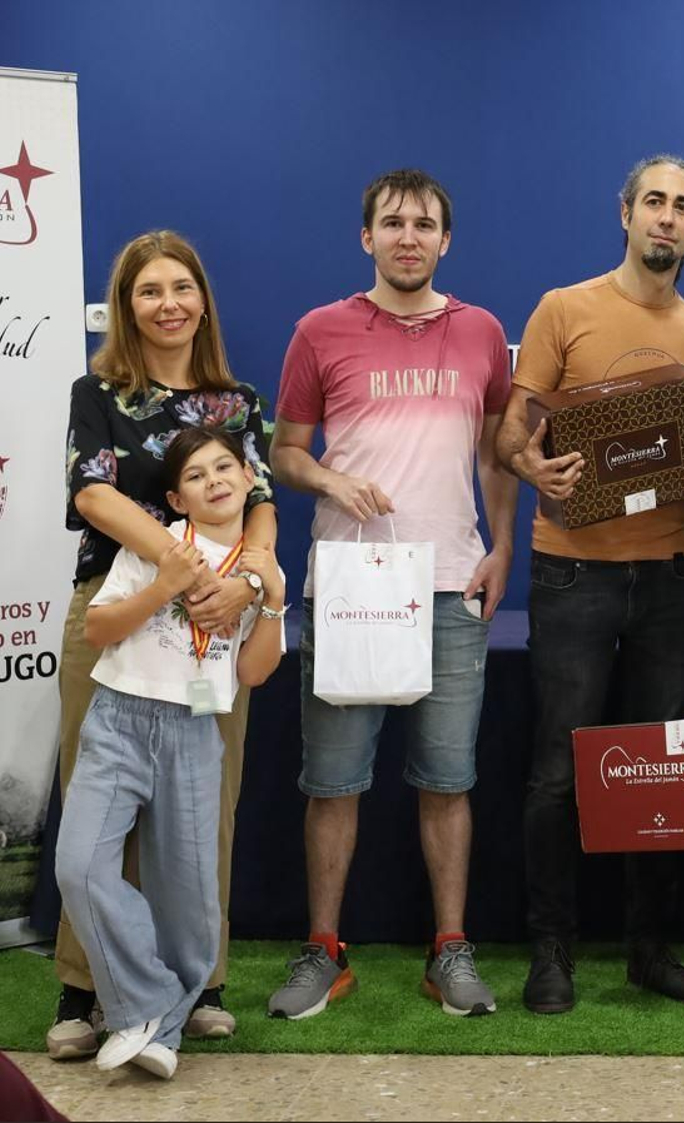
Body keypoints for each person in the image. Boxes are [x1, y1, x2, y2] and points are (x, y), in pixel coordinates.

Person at [267, 169, 518, 1019]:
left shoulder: (483, 332)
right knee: (333, 782)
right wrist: (329, 480)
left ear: (446, 240)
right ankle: (324, 950)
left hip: (450, 585)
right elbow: (285, 451)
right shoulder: (319, 331)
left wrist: (502, 546)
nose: (408, 236)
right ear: (366, 236)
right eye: (393, 222)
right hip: (351, 586)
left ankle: (449, 948)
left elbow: (495, 453)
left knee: (448, 778)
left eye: (424, 224)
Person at [494, 154, 684, 1015]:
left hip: (671, 573)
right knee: (558, 771)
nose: (667, 217)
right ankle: (551, 948)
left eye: (683, 207)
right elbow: (511, 435)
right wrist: (536, 468)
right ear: (625, 212)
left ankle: (648, 949)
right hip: (573, 572)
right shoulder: (564, 308)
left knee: (660, 766)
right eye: (654, 202)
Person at [51, 231, 275, 1057]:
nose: (168, 303)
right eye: (149, 290)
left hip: (217, 618)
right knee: (93, 814)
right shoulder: (98, 391)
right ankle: (85, 990)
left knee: (204, 811)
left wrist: (251, 578)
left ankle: (200, 982)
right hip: (116, 611)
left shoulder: (239, 401)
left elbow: (262, 502)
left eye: (181, 287)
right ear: (126, 306)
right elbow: (93, 493)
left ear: (203, 301)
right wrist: (179, 566)